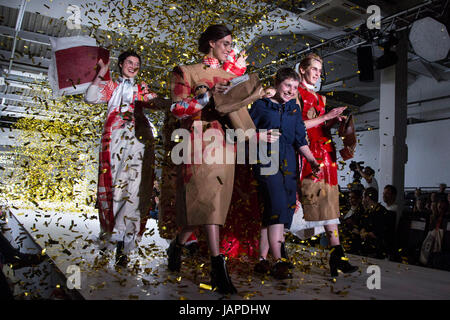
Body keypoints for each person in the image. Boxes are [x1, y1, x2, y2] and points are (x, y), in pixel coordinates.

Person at [166, 24, 251, 295]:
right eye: (226, 43)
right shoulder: (187, 71)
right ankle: (217, 266)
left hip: (226, 143)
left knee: (212, 203)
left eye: (231, 43)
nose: (230, 48)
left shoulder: (231, 75)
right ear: (212, 44)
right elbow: (177, 109)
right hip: (199, 142)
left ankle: (177, 245)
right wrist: (202, 101)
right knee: (207, 201)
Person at [85, 50, 168, 267]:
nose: (133, 66)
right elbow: (90, 97)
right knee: (115, 189)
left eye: (137, 63)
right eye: (129, 62)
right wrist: (101, 73)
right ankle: (112, 236)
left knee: (135, 190)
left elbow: (160, 103)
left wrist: (181, 102)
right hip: (114, 140)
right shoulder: (112, 86)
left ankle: (124, 244)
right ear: (121, 64)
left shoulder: (142, 89)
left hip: (139, 142)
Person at [250, 68, 320, 279]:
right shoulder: (261, 106)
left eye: (295, 87)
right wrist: (260, 135)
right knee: (278, 204)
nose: (291, 90)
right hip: (266, 159)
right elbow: (241, 131)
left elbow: (300, 139)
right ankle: (279, 259)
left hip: (289, 161)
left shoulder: (294, 109)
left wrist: (312, 160)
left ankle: (262, 259)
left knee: (280, 207)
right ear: (277, 83)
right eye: (287, 85)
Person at [296, 53, 358, 278]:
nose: (317, 74)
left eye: (320, 71)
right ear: (302, 69)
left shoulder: (319, 98)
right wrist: (325, 117)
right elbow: (297, 126)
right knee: (300, 206)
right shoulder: (295, 93)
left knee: (330, 204)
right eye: (314, 69)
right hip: (306, 155)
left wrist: (333, 121)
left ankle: (337, 255)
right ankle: (276, 255)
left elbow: (319, 125)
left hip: (325, 153)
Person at [360, 187, 396, 259]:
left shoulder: (381, 212)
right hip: (367, 249)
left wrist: (366, 234)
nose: (362, 200)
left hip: (379, 252)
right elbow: (363, 227)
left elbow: (379, 233)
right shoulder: (368, 212)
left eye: (363, 197)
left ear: (367, 198)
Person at [340, 190, 364, 254]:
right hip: (344, 238)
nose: (350, 199)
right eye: (349, 197)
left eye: (353, 198)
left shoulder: (361, 211)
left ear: (359, 199)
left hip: (354, 240)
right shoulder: (347, 208)